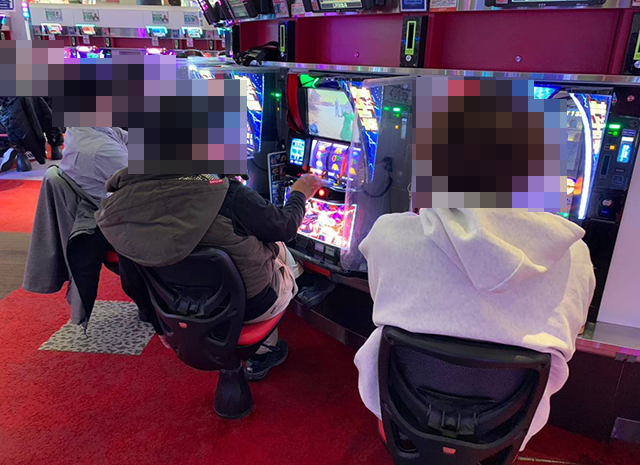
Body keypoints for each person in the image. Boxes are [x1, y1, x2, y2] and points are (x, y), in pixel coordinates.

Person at [354, 209, 595, 450]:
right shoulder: (575, 256)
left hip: (405, 415)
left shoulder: (389, 233)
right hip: (505, 429)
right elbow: (573, 330)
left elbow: (381, 301)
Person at [96, 170, 322, 380]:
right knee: (279, 247)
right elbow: (285, 228)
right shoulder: (226, 191)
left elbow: (132, 283)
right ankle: (266, 349)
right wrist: (299, 193)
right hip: (251, 307)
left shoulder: (121, 207)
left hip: (175, 308)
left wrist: (160, 326)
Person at [58, 127, 128, 199]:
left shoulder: (79, 129)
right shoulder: (102, 149)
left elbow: (124, 136)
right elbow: (134, 177)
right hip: (114, 201)